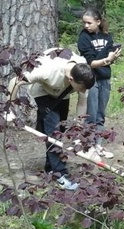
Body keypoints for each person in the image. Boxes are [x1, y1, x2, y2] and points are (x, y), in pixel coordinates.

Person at [8, 50, 96, 190]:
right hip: (42, 90)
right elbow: (15, 81)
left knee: (58, 130)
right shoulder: (46, 71)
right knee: (54, 133)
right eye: (82, 88)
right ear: (71, 80)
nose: (83, 91)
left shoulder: (83, 74)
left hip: (63, 93)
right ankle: (60, 174)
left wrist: (78, 130)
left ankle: (50, 169)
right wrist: (9, 109)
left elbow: (82, 104)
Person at [77, 8, 121, 159]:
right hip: (90, 79)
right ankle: (87, 146)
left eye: (89, 23)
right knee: (91, 113)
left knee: (101, 114)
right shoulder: (83, 37)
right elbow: (90, 62)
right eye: (84, 23)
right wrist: (107, 59)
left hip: (104, 78)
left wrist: (108, 58)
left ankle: (98, 145)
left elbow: (105, 55)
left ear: (98, 22)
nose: (86, 26)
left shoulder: (107, 36)